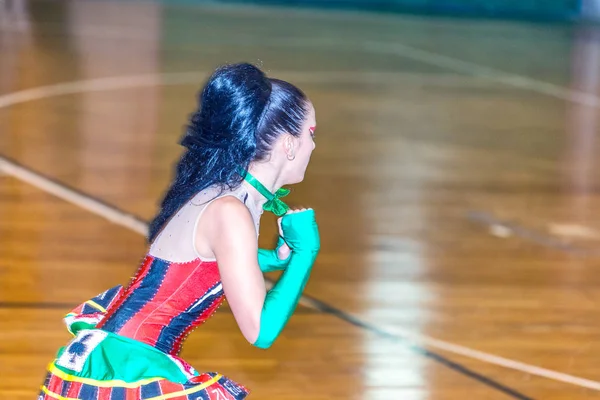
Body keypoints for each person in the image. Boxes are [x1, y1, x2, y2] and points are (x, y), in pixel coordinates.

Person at [37, 62, 320, 400]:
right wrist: (305, 255)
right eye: (311, 134)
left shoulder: (219, 193)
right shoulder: (231, 211)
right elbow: (260, 330)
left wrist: (273, 259)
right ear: (288, 144)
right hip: (129, 367)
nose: (313, 146)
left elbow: (196, 265)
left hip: (114, 356)